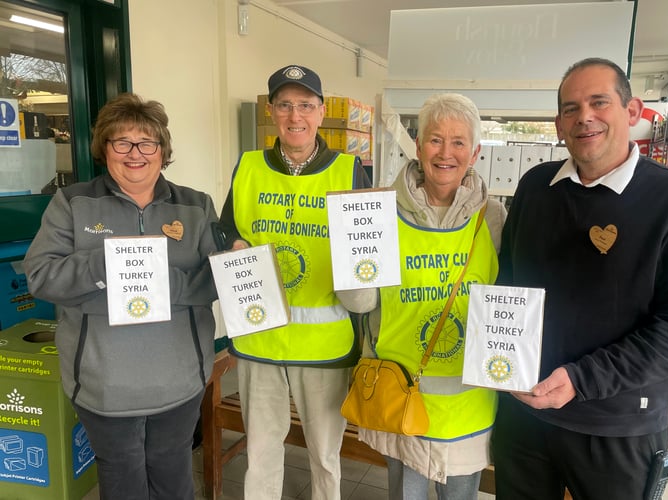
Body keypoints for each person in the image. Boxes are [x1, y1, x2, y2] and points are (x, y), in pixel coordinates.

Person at [492, 58, 668, 499]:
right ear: (559, 124)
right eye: (571, 108)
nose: (585, 117)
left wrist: (584, 379)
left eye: (599, 102)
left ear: (632, 111)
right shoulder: (535, 188)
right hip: (524, 416)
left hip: (619, 429)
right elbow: (510, 284)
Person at [23, 92, 219, 499]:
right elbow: (41, 276)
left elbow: (217, 280)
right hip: (103, 384)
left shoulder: (196, 206)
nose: (136, 154)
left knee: (173, 475)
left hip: (180, 380)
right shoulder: (72, 203)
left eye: (147, 143)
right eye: (122, 142)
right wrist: (105, 265)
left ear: (163, 151)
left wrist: (167, 282)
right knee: (122, 480)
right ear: (105, 149)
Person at [218, 64, 374, 500]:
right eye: (285, 105)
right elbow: (225, 226)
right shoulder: (248, 167)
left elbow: (368, 246)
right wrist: (232, 244)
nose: (295, 115)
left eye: (305, 105)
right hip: (261, 336)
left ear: (321, 112)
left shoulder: (349, 170)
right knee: (262, 452)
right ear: (271, 111)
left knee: (326, 456)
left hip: (324, 345)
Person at [358, 93, 506, 500]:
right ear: (418, 146)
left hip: (468, 402)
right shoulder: (380, 211)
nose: (446, 152)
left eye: (458, 142)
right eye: (435, 139)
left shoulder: (493, 219)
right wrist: (351, 269)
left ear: (474, 152)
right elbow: (361, 303)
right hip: (402, 394)